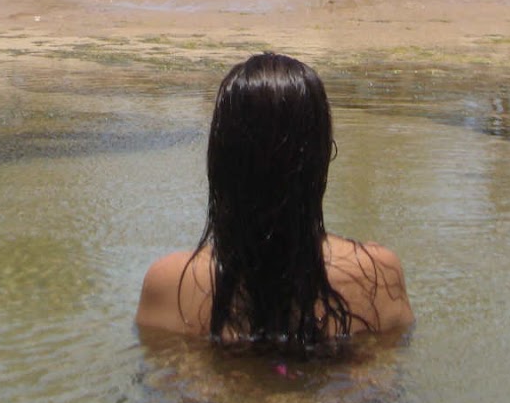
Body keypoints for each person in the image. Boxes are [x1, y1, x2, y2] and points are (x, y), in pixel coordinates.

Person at [136, 52, 414, 348]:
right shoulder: (376, 275)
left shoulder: (170, 285)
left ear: (220, 160)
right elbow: (384, 380)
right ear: (319, 158)